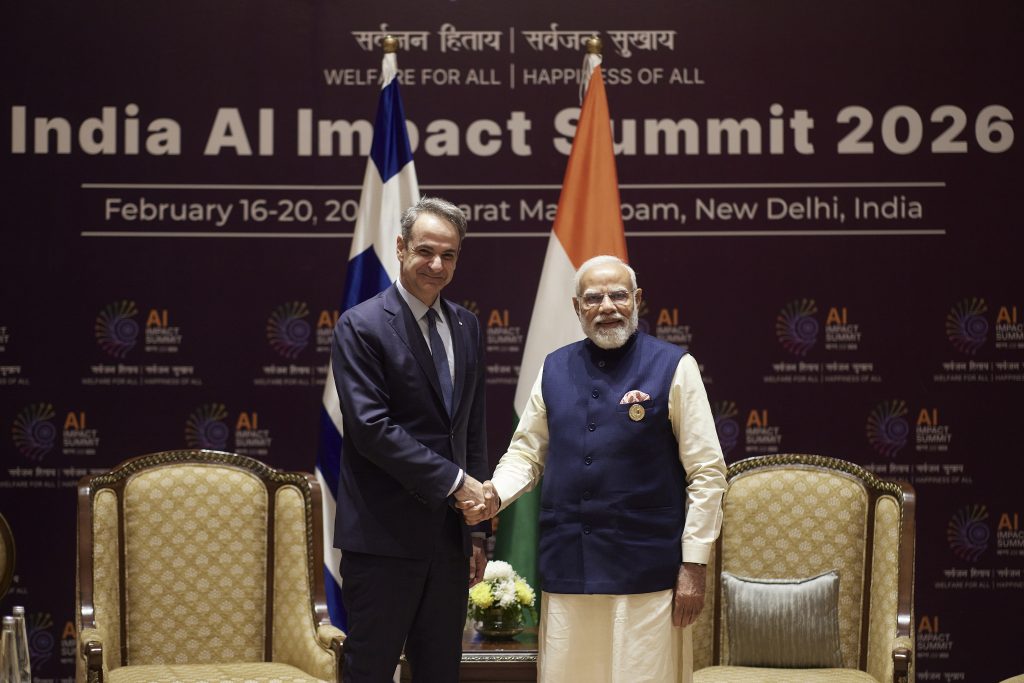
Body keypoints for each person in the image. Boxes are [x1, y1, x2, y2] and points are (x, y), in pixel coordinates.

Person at [463, 254, 727, 683]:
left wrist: (694, 564)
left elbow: (707, 472)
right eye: (593, 298)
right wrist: (494, 494)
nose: (607, 306)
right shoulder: (554, 367)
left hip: (647, 573)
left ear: (637, 299)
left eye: (618, 295)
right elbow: (526, 454)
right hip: (569, 566)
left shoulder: (675, 366)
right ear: (577, 307)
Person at [332, 196, 491, 682]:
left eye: (449, 255)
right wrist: (456, 482)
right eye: (425, 251)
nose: (437, 265)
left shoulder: (466, 325)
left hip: (449, 541)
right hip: (382, 538)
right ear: (400, 248)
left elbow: (470, 428)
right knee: (370, 671)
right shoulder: (361, 325)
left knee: (440, 671)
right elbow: (371, 428)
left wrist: (477, 530)